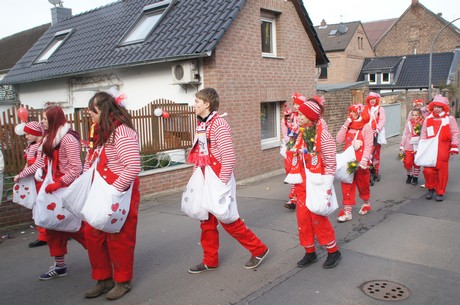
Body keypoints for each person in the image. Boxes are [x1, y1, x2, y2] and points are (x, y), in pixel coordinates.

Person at [186, 88, 269, 274]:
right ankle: (210, 260)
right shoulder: (201, 124)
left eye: (197, 101)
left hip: (218, 180)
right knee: (206, 221)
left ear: (207, 104)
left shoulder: (219, 124)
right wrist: (196, 177)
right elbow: (201, 155)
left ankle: (259, 249)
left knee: (228, 219)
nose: (194, 104)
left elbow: (229, 157)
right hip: (205, 179)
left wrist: (222, 184)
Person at [83, 92, 141, 300]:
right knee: (93, 234)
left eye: (93, 110)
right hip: (101, 191)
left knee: (119, 237)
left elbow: (132, 166)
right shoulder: (101, 132)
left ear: (105, 110)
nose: (89, 113)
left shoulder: (122, 133)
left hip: (120, 193)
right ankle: (103, 278)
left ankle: (122, 280)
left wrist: (114, 191)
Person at [286, 98, 341, 269]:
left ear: (311, 116)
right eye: (299, 113)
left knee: (317, 217)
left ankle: (333, 251)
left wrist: (327, 180)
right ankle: (310, 251)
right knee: (303, 219)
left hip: (317, 181)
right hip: (302, 182)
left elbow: (331, 158)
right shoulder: (300, 133)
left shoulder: (322, 134)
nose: (298, 116)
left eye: (302, 114)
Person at [36, 106, 87, 280]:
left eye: (44, 118)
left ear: (53, 118)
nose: (42, 121)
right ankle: (60, 266)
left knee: (79, 228)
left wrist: (59, 183)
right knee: (53, 227)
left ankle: (103, 257)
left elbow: (76, 167)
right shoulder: (48, 138)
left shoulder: (67, 139)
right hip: (53, 189)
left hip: (66, 190)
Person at [336, 104, 373, 222]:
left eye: (353, 112)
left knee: (363, 184)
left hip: (361, 161)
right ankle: (347, 211)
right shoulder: (348, 125)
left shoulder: (366, 127)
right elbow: (338, 139)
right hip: (349, 160)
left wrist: (364, 159)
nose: (351, 114)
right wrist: (346, 124)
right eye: (350, 111)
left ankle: (366, 202)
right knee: (347, 184)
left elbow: (369, 145)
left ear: (359, 113)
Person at [13, 121, 47, 247]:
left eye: (28, 134)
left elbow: (37, 164)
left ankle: (47, 234)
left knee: (41, 206)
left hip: (41, 180)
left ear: (35, 133)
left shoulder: (41, 146)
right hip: (35, 181)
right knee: (38, 207)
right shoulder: (33, 146)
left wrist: (21, 175)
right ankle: (45, 234)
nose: (26, 136)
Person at [419, 95, 459, 202]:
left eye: (439, 107)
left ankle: (440, 191)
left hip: (443, 148)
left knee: (442, 172)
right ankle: (431, 187)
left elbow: (455, 133)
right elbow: (423, 133)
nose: (436, 108)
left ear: (443, 107)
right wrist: (422, 146)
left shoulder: (449, 119)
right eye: (435, 106)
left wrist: (454, 146)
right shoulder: (428, 119)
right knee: (428, 170)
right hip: (429, 148)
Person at [281, 92, 304, 209]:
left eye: (297, 104)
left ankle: (298, 197)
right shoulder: (292, 115)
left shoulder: (304, 116)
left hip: (302, 147)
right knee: (292, 170)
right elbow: (286, 129)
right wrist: (289, 141)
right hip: (292, 146)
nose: (295, 106)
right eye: (294, 104)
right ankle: (294, 198)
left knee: (300, 172)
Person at [364, 92, 386, 182]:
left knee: (376, 154)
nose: (372, 101)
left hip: (376, 133)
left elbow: (382, 120)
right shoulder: (365, 109)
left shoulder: (380, 109)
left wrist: (377, 129)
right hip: (367, 134)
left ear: (376, 100)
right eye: (370, 99)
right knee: (368, 153)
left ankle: (376, 170)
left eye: (373, 99)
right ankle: (368, 170)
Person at [399, 108, 424, 185]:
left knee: (416, 162)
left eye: (416, 115)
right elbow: (405, 134)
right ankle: (409, 175)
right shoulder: (409, 123)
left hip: (418, 145)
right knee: (407, 162)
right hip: (408, 145)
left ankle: (415, 177)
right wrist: (402, 144)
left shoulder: (423, 123)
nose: (414, 116)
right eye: (412, 115)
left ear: (419, 115)